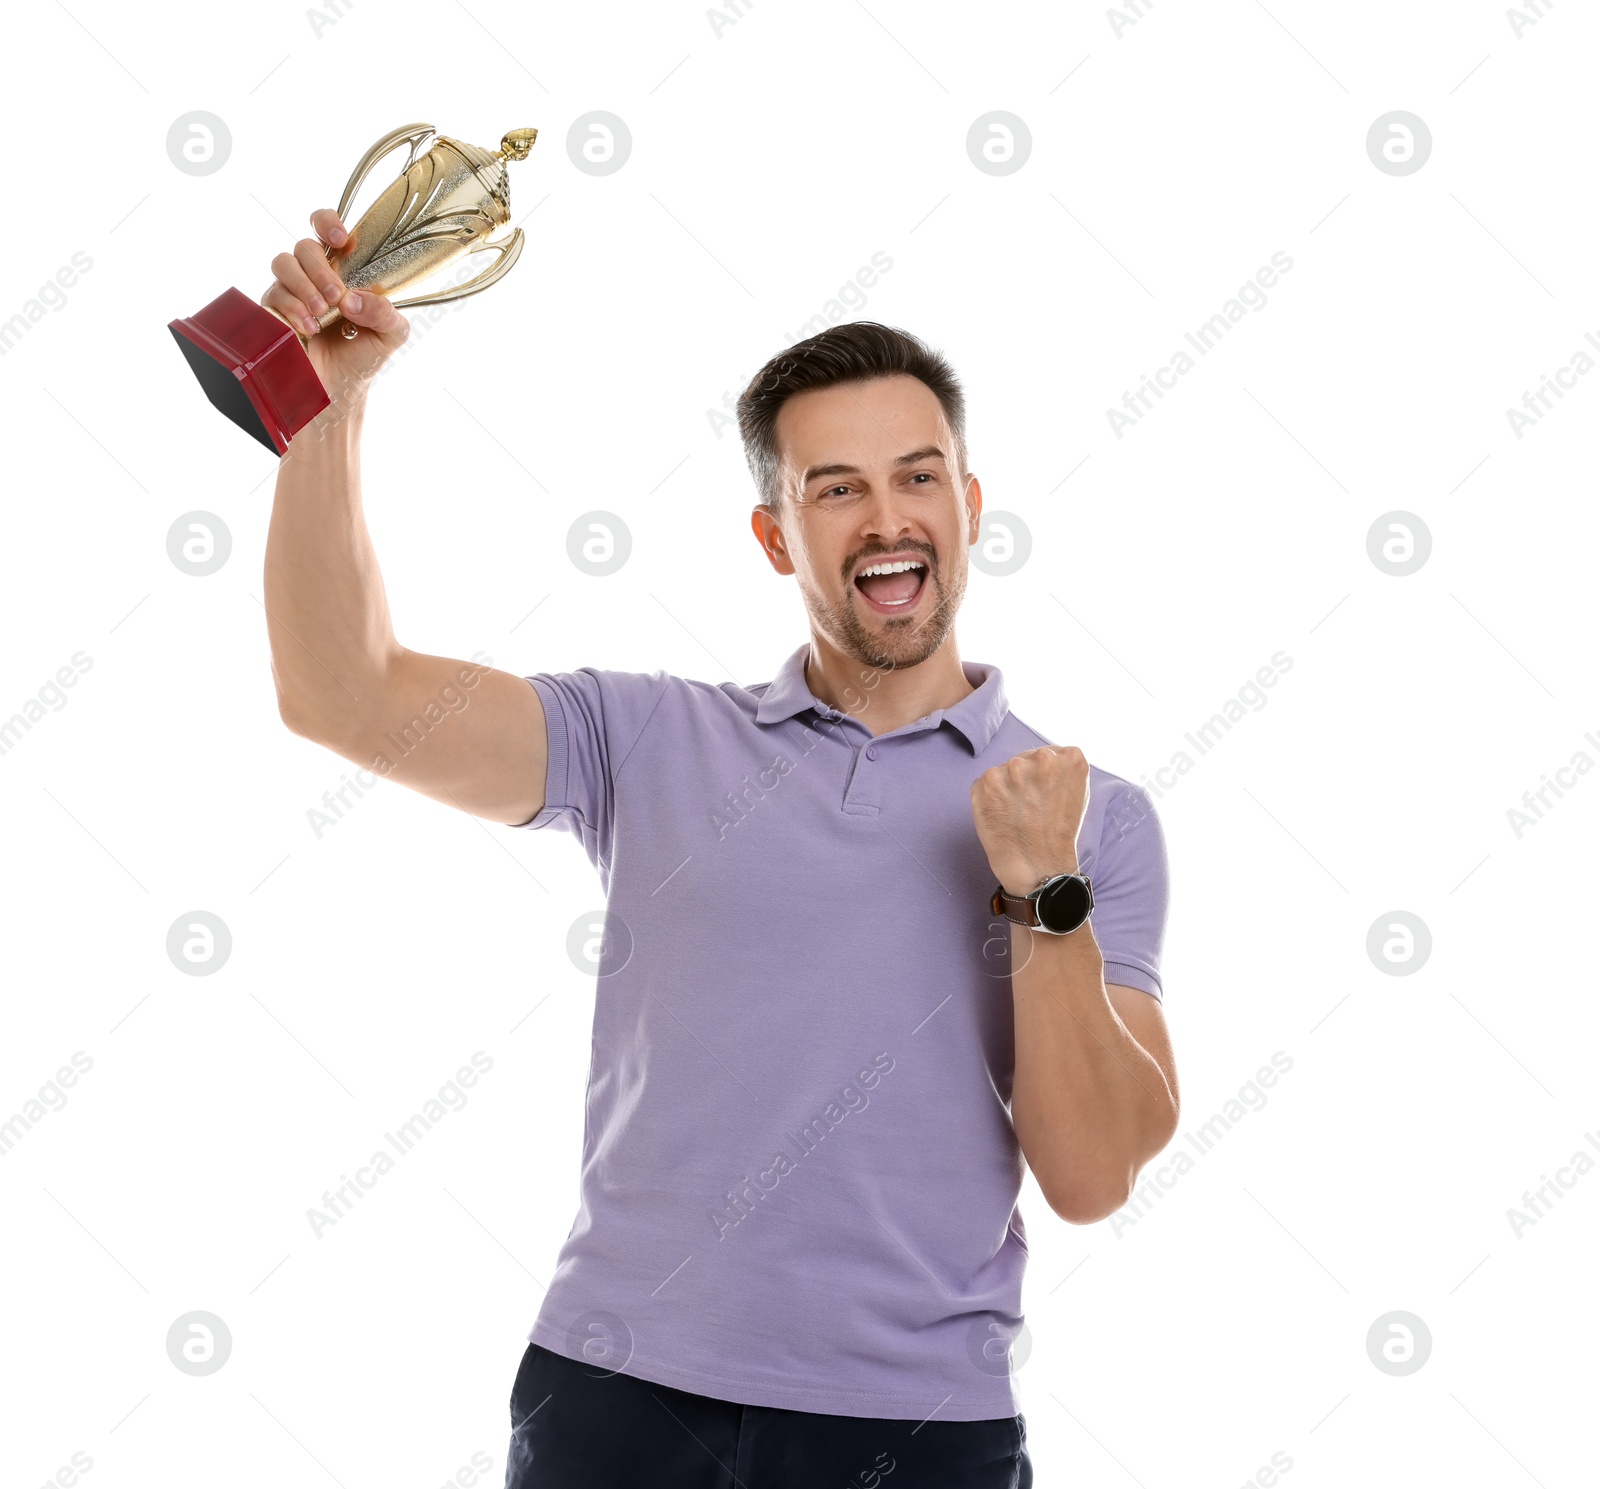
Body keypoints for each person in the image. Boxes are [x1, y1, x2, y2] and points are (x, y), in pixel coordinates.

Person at [262, 209, 1179, 1489]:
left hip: (911, 1432)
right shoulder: (643, 738)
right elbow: (342, 693)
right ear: (775, 536)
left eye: (917, 476)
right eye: (835, 488)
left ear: (968, 508)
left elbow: (1089, 1177)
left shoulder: (1090, 820)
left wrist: (1042, 892)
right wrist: (325, 405)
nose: (885, 517)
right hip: (616, 1403)